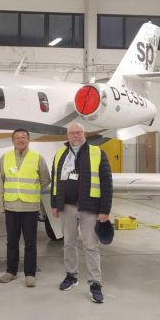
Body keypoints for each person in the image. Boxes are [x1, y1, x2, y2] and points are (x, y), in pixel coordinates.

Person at [50, 123, 113, 303]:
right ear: (68, 136)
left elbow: (106, 183)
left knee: (91, 246)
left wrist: (105, 210)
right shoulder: (60, 154)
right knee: (69, 243)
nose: (75, 136)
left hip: (89, 208)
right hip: (67, 207)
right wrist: (55, 203)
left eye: (78, 132)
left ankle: (95, 283)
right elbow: (55, 180)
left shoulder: (97, 152)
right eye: (72, 133)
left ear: (84, 134)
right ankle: (71, 276)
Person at [0, 129, 51, 288]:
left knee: (30, 243)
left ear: (29, 140)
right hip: (11, 206)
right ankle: (11, 271)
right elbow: (0, 182)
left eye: (23, 137)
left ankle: (30, 274)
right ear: (12, 141)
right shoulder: (5, 158)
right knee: (11, 241)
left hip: (30, 207)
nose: (20, 140)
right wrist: (1, 204)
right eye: (17, 138)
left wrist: (32, 190)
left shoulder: (37, 158)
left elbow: (45, 180)